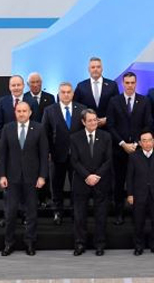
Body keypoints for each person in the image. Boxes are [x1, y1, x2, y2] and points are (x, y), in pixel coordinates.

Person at [0, 101, 49, 256]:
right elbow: (2, 155)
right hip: (12, 178)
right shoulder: (7, 128)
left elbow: (43, 155)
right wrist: (2, 175)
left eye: (24, 111)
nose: (21, 113)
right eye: (18, 111)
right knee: (10, 213)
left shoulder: (39, 129)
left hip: (32, 178)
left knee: (32, 213)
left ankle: (30, 243)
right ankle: (8, 243)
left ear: (30, 112)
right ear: (15, 112)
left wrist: (42, 176)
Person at [107, 71, 153, 225]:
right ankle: (119, 213)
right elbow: (111, 125)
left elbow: (147, 124)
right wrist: (122, 144)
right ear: (123, 84)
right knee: (118, 183)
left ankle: (138, 213)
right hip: (119, 150)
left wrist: (136, 144)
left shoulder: (144, 101)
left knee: (139, 182)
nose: (130, 85)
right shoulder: (114, 101)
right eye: (127, 83)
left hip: (138, 150)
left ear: (136, 83)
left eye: (132, 82)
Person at [70, 109, 113, 256]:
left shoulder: (106, 136)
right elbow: (74, 161)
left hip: (101, 182)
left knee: (101, 216)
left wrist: (97, 176)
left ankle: (99, 245)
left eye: (95, 120)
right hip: (82, 182)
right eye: (90, 120)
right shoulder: (75, 138)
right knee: (80, 216)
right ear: (83, 122)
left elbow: (108, 160)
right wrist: (87, 176)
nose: (93, 123)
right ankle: (80, 244)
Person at [41, 82, 85, 225]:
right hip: (56, 155)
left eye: (68, 92)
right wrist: (47, 152)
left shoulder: (82, 109)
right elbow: (44, 133)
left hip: (77, 157)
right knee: (56, 185)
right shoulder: (49, 110)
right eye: (63, 92)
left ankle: (74, 212)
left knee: (76, 186)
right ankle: (57, 212)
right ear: (58, 94)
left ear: (72, 94)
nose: (66, 94)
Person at [126, 130, 154, 256]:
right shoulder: (134, 156)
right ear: (140, 143)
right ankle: (139, 246)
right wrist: (130, 194)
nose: (147, 143)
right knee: (138, 222)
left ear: (153, 141)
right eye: (144, 141)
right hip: (139, 194)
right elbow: (130, 177)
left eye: (149, 140)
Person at [24, 72, 55, 209]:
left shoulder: (50, 98)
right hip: (28, 141)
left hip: (45, 140)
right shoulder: (24, 98)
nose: (36, 85)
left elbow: (53, 122)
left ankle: (45, 197)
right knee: (30, 170)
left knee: (44, 170)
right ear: (28, 84)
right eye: (33, 82)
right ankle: (33, 198)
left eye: (38, 82)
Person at [73, 57, 120, 128]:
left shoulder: (112, 85)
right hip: (87, 127)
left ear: (102, 69)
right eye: (93, 67)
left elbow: (117, 106)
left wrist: (107, 119)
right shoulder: (81, 86)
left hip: (108, 127)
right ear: (89, 69)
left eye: (98, 67)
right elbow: (76, 106)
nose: (95, 69)